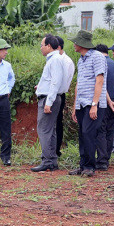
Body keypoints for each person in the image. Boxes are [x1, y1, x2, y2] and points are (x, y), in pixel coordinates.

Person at [69, 30, 107, 177]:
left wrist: (94, 104)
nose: (73, 45)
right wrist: (74, 106)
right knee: (82, 134)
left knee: (88, 133)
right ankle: (83, 165)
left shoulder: (97, 57)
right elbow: (79, 83)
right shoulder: (81, 59)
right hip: (81, 103)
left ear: (81, 43)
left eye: (75, 42)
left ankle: (90, 167)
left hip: (93, 104)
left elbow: (100, 80)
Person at [31, 34, 64, 172]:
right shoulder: (53, 59)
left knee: (44, 130)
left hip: (49, 98)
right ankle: (51, 160)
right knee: (50, 130)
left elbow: (55, 82)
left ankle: (47, 160)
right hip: (49, 97)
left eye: (42, 45)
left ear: (49, 46)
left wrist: (48, 102)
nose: (41, 48)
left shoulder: (55, 60)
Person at [94, 44, 114, 171]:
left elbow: (101, 85)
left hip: (103, 101)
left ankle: (101, 161)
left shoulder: (101, 65)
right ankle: (106, 159)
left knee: (101, 130)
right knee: (110, 130)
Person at [55, 35, 74, 158]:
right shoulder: (55, 59)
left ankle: (56, 150)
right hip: (53, 94)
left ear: (57, 47)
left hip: (59, 95)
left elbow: (63, 81)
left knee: (57, 123)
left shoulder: (66, 61)